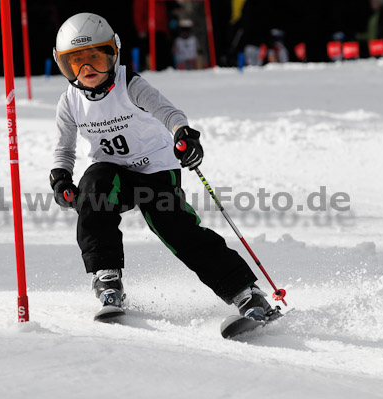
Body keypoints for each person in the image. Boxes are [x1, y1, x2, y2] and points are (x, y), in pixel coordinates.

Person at [49, 12, 279, 322]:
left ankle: (247, 294)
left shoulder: (129, 84)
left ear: (113, 54)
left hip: (156, 169)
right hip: (112, 174)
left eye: (96, 58)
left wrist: (183, 134)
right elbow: (64, 147)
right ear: (63, 64)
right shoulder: (70, 101)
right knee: (94, 189)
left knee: (175, 228)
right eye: (75, 62)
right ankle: (106, 277)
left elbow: (168, 112)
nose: (87, 69)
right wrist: (61, 177)